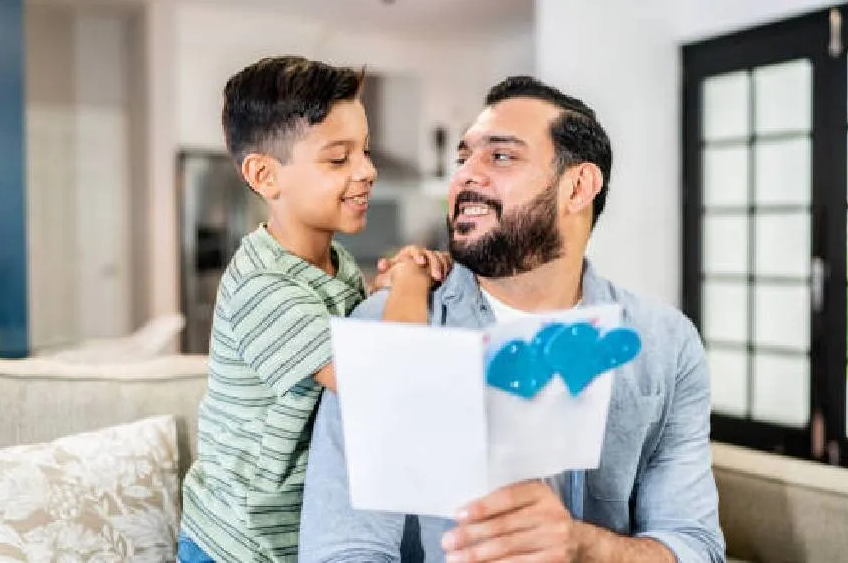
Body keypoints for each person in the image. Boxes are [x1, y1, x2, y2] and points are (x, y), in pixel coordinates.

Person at [299, 76, 726, 563]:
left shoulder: (664, 342)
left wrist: (584, 547)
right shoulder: (388, 326)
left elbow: (695, 546)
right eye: (463, 159)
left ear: (578, 187)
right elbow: (341, 551)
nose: (464, 176)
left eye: (500, 156)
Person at [179, 56, 449, 563]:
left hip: (302, 533)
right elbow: (387, 380)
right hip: (237, 547)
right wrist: (409, 286)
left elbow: (350, 343)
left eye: (365, 152)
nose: (367, 171)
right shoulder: (263, 287)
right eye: (337, 159)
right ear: (264, 174)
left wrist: (386, 288)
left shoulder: (333, 261)